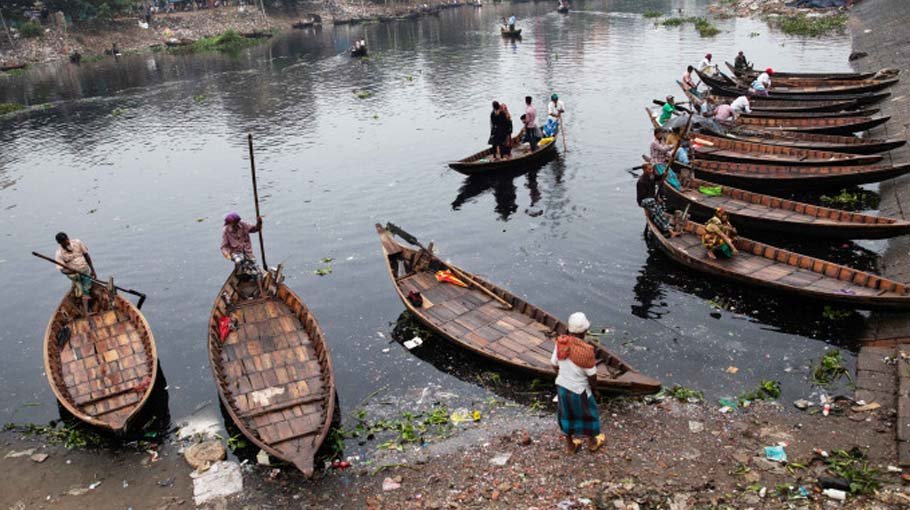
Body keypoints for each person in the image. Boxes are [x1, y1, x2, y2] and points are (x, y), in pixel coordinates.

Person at [551, 312, 605, 454]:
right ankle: (592, 443)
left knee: (565, 415)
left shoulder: (560, 343)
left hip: (562, 387)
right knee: (589, 415)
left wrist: (562, 375)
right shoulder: (586, 352)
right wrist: (595, 390)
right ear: (585, 331)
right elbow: (592, 376)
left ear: (569, 330)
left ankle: (570, 446)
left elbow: (554, 364)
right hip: (580, 390)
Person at [54, 232, 97, 316]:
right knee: (81, 290)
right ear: (59, 243)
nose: (66, 242)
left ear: (68, 238)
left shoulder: (77, 243)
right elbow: (62, 270)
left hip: (85, 271)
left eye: (67, 240)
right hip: (74, 275)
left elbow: (86, 255)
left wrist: (93, 270)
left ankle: (86, 309)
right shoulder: (59, 253)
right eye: (63, 242)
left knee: (86, 289)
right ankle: (86, 311)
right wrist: (72, 271)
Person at [221, 212, 263, 280]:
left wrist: (259, 223)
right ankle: (243, 271)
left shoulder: (243, 225)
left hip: (247, 252)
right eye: (234, 223)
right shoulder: (226, 230)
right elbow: (224, 246)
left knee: (256, 273)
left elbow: (255, 229)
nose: (236, 224)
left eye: (237, 222)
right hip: (236, 252)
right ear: (230, 223)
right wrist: (227, 254)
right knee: (239, 260)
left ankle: (252, 275)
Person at [637, 163, 675, 236]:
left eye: (652, 169)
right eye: (649, 169)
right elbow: (644, 196)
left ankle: (665, 226)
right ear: (644, 170)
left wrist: (664, 175)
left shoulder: (651, 176)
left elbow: (658, 178)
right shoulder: (641, 181)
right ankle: (667, 229)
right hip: (643, 200)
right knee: (656, 208)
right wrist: (656, 198)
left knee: (661, 207)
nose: (651, 171)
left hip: (652, 199)